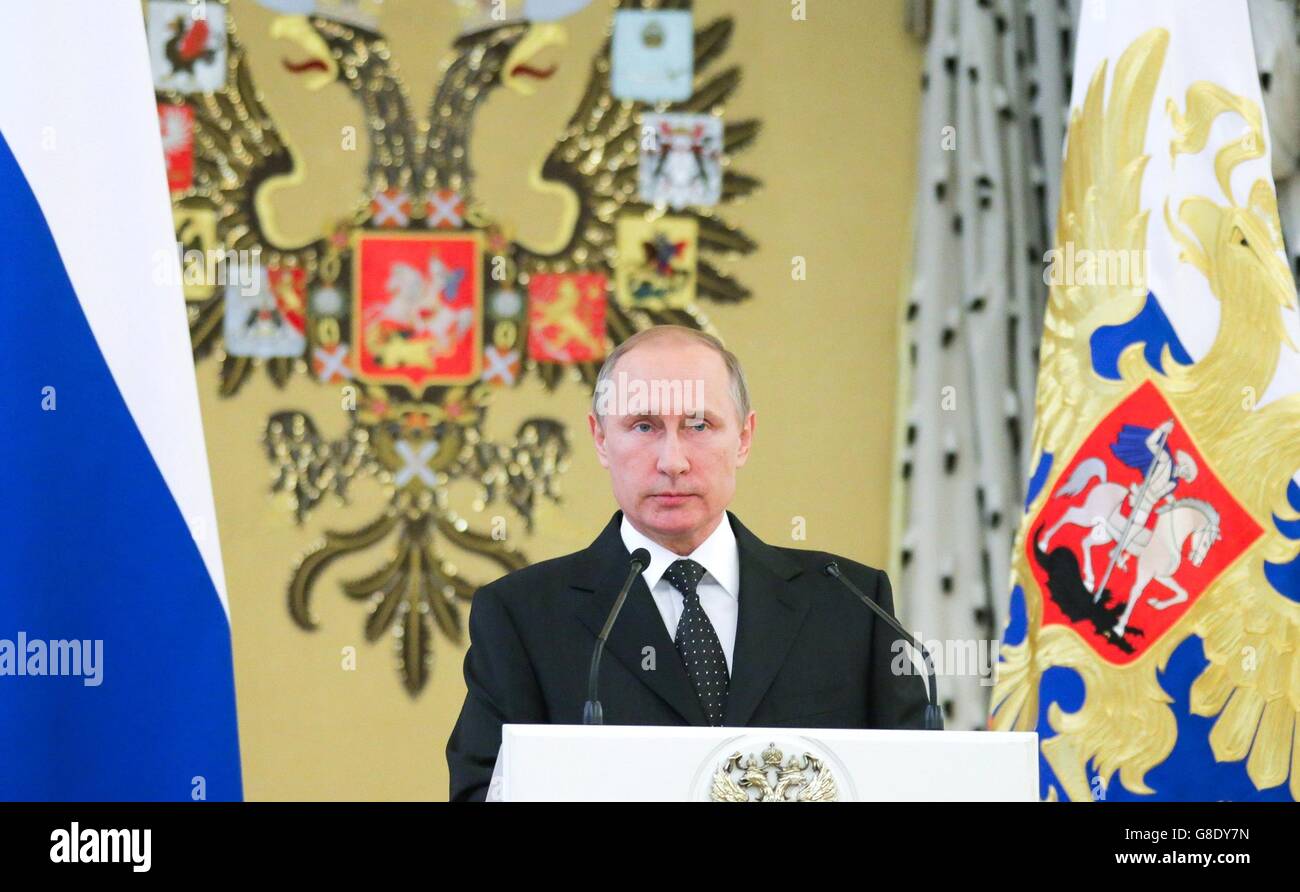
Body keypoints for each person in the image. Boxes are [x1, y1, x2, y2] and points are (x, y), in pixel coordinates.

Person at [446, 325, 929, 801]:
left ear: (743, 437)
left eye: (699, 425)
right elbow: (482, 792)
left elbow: (918, 784)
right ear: (600, 439)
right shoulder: (523, 617)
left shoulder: (852, 605)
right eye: (643, 426)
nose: (672, 461)